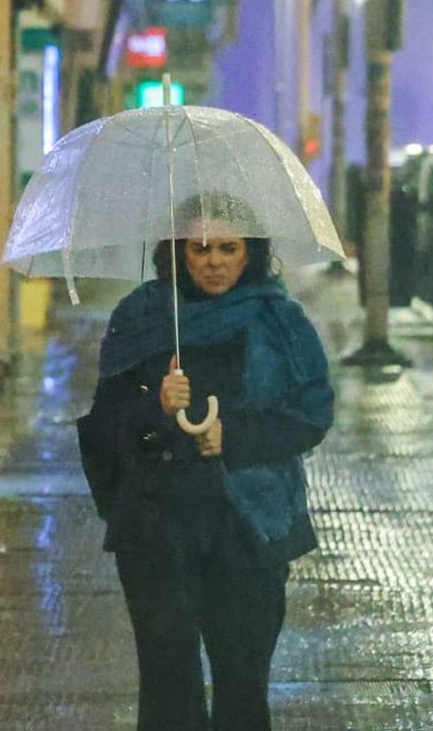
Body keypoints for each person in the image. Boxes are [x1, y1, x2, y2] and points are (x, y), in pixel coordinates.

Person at [91, 193, 334, 731]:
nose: (215, 261)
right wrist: (154, 403)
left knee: (243, 683)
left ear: (251, 252)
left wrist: (233, 438)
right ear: (178, 252)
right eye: (200, 249)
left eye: (229, 247)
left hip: (246, 523)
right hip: (156, 524)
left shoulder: (280, 320)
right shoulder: (143, 315)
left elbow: (312, 414)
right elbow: (106, 423)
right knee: (167, 684)